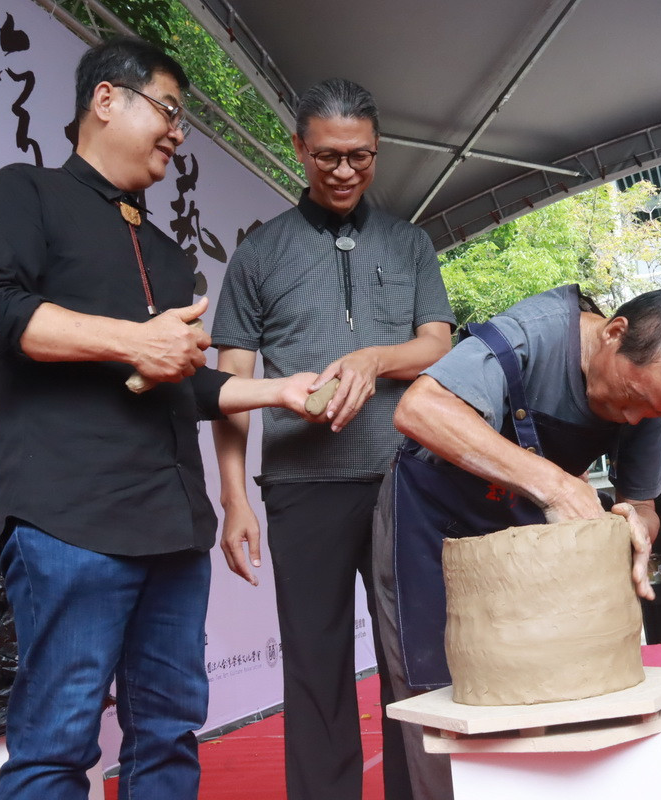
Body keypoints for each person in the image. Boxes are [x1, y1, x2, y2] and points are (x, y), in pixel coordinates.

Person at [0, 38, 321, 799]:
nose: (179, 133)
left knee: (170, 734)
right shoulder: (24, 193)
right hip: (69, 523)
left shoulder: (168, 252)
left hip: (175, 531)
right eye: (170, 110)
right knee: (55, 746)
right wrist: (133, 341)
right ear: (106, 99)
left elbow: (181, 386)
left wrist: (281, 393)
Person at [371, 285, 661, 799]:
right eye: (630, 400)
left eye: (650, 414)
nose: (632, 421)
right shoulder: (528, 335)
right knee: (439, 697)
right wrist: (556, 483)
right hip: (433, 520)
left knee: (541, 686)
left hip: (524, 541)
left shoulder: (651, 398)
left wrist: (636, 527)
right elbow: (420, 409)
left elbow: (644, 506)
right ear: (613, 332)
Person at [210, 78, 454, 800]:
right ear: (299, 149)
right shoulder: (260, 255)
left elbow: (437, 343)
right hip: (298, 489)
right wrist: (234, 501)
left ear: (378, 150)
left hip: (401, 483)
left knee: (414, 660)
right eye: (327, 157)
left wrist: (376, 358)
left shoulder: (409, 244)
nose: (344, 171)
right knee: (314, 669)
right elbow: (231, 383)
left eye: (360, 156)